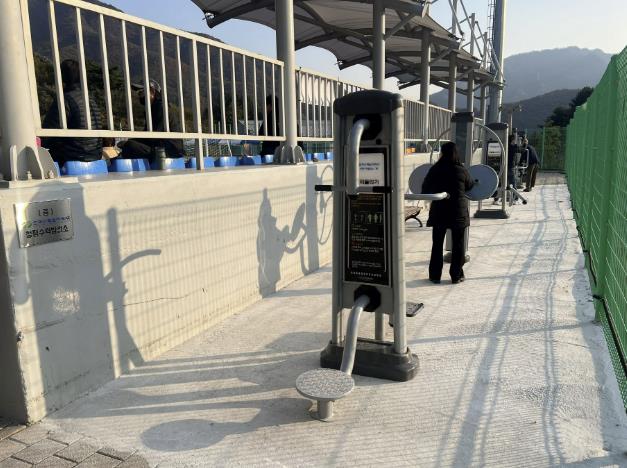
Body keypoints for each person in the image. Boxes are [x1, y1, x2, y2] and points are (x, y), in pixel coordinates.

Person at [422, 142, 474, 284]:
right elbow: (470, 185)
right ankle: (456, 276)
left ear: (442, 153)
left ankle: (434, 276)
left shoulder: (435, 169)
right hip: (458, 212)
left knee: (437, 245)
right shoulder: (461, 169)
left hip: (439, 211)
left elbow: (425, 188)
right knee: (458, 245)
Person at [41, 59, 102, 165]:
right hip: (95, 156)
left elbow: (48, 133)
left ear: (60, 77)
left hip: (72, 157)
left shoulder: (65, 100)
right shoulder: (90, 99)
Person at [118, 79, 184, 162]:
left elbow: (154, 135)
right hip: (160, 147)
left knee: (130, 145)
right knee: (130, 144)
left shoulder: (161, 108)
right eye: (139, 93)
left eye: (141, 92)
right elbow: (148, 134)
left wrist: (129, 143)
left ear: (152, 92)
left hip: (170, 151)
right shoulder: (152, 109)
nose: (140, 95)